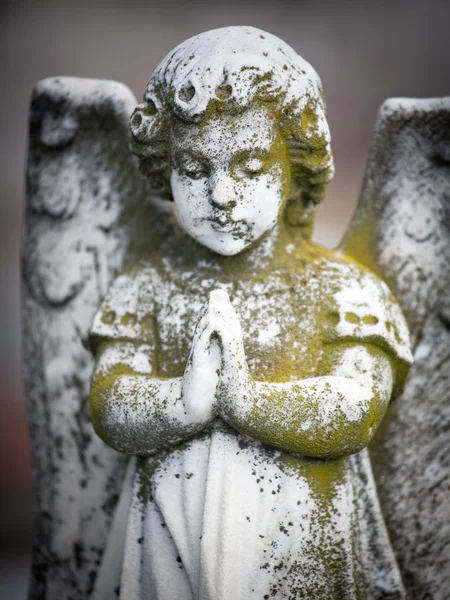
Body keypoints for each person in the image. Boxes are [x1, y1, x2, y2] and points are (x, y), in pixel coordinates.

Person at [89, 26, 412, 600]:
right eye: (194, 168)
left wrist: (246, 402)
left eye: (250, 164)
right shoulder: (146, 285)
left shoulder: (342, 288)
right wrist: (180, 404)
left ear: (296, 164)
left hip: (301, 558)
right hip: (167, 555)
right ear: (165, 169)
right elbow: (110, 402)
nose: (220, 194)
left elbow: (358, 406)